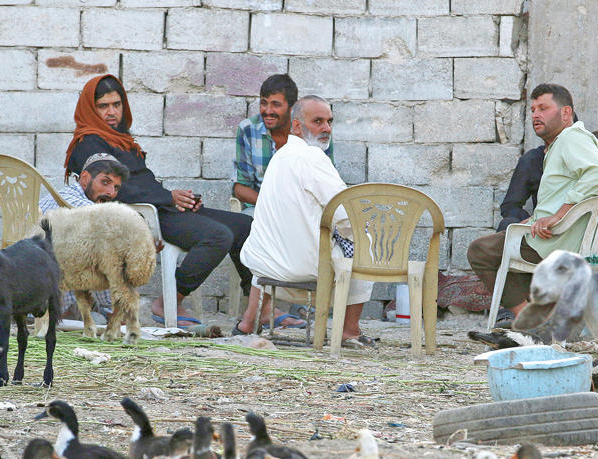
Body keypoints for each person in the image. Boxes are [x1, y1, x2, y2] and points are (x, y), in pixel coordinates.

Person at [65, 74, 257, 328]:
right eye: (103, 106)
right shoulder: (89, 143)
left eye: (116, 104)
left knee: (245, 225)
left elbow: (142, 183)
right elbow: (114, 191)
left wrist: (180, 201)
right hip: (142, 216)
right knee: (218, 236)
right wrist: (168, 198)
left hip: (161, 208)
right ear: (91, 108)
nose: (111, 112)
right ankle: (168, 302)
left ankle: (256, 307)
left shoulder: (121, 139)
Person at [467, 83, 598, 322]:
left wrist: (558, 216)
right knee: (509, 241)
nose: (536, 114)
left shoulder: (571, 138)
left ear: (566, 113)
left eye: (544, 108)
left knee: (481, 251)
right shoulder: (573, 142)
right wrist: (536, 218)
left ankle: (530, 322)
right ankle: (540, 317)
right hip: (573, 243)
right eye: (533, 109)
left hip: (560, 243)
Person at [236, 95, 375, 347]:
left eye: (329, 122)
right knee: (364, 242)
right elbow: (346, 213)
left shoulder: (279, 157)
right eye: (318, 121)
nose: (326, 129)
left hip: (263, 266)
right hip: (304, 268)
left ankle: (248, 322)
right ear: (297, 126)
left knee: (272, 240)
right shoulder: (313, 158)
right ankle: (350, 331)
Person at [40, 152, 130, 319]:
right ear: (85, 178)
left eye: (116, 187)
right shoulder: (68, 198)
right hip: (39, 283)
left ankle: (107, 311)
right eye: (105, 182)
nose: (111, 192)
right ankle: (110, 312)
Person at [233, 74, 334, 217]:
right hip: (261, 208)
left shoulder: (315, 131)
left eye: (276, 105)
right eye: (263, 103)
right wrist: (273, 205)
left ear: (292, 108)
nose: (268, 111)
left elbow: (327, 183)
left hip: (305, 210)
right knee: (248, 223)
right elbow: (240, 187)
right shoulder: (248, 130)